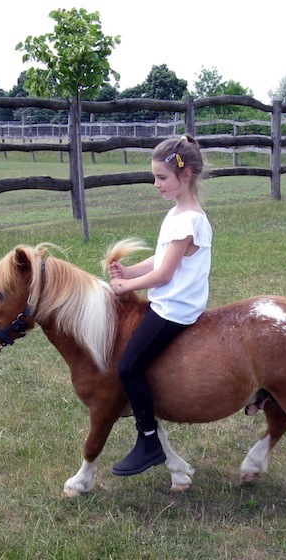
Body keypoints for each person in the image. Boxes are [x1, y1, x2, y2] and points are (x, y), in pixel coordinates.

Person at [108, 134, 212, 476]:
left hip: (175, 309)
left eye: (162, 177)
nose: (156, 184)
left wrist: (127, 285)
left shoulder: (191, 220)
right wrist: (131, 269)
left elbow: (165, 273)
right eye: (154, 177)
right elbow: (161, 257)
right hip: (167, 302)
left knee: (127, 368)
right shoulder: (178, 213)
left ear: (186, 176)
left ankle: (149, 440)